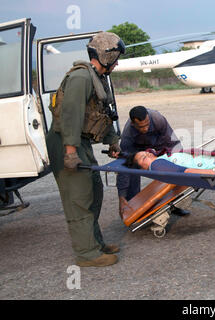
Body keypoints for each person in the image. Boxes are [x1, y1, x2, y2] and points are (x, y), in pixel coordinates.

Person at [45, 32, 125, 267]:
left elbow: (100, 115)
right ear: (105, 55)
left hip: (81, 143)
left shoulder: (97, 78)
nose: (117, 62)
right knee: (78, 198)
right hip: (66, 143)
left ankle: (94, 243)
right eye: (116, 57)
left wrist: (112, 142)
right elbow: (70, 116)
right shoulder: (81, 78)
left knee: (93, 192)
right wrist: (70, 152)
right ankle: (86, 254)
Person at [116, 106, 190, 218]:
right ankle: (134, 210)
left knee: (171, 170)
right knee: (131, 172)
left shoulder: (157, 119)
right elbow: (123, 167)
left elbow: (173, 143)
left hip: (160, 145)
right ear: (133, 124)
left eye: (147, 124)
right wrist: (121, 197)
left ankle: (173, 204)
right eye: (141, 127)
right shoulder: (128, 136)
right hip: (138, 149)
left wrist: (179, 162)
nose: (145, 129)